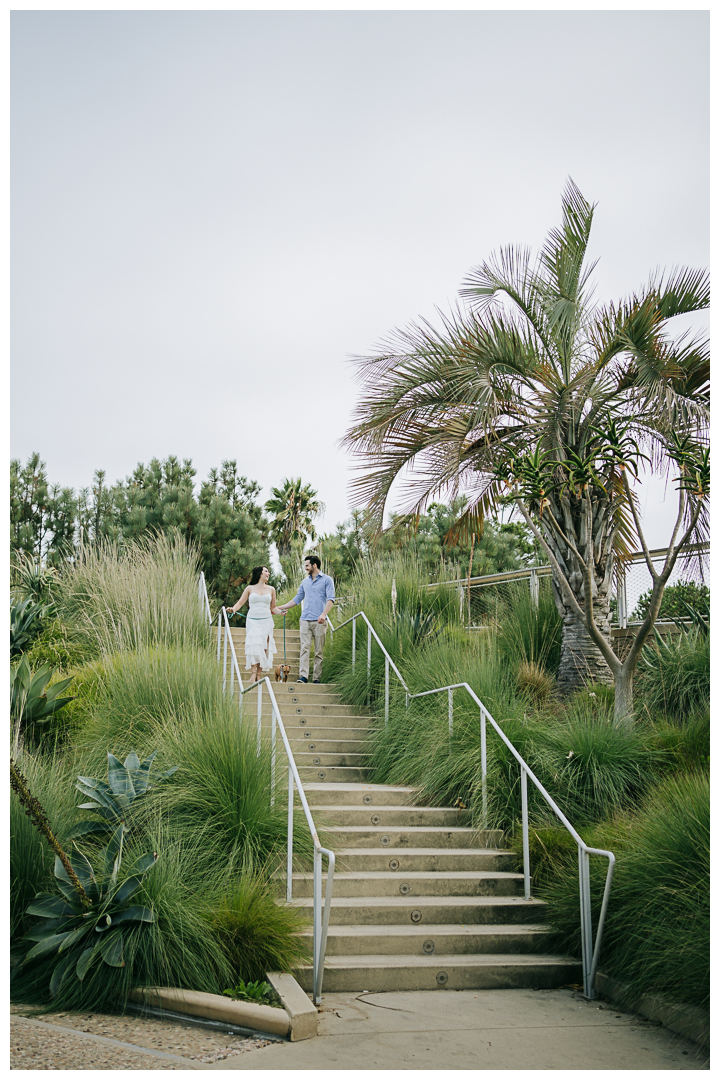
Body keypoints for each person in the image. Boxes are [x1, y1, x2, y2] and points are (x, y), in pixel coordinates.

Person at [277, 555, 335, 683]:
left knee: (318, 651)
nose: (305, 568)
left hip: (319, 620)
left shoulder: (327, 580)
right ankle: (303, 676)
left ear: (314, 565)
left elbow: (331, 599)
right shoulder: (305, 582)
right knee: (304, 648)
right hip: (305, 620)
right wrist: (279, 607)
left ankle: (316, 678)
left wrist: (324, 614)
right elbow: (297, 599)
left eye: (307, 565)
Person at [225, 566, 282, 684]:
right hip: (253, 620)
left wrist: (281, 612)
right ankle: (253, 673)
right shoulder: (249, 588)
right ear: (259, 573)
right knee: (253, 645)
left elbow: (273, 607)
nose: (269, 573)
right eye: (266, 571)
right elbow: (240, 603)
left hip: (266, 620)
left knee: (264, 646)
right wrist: (233, 609)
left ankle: (259, 675)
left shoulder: (271, 589)